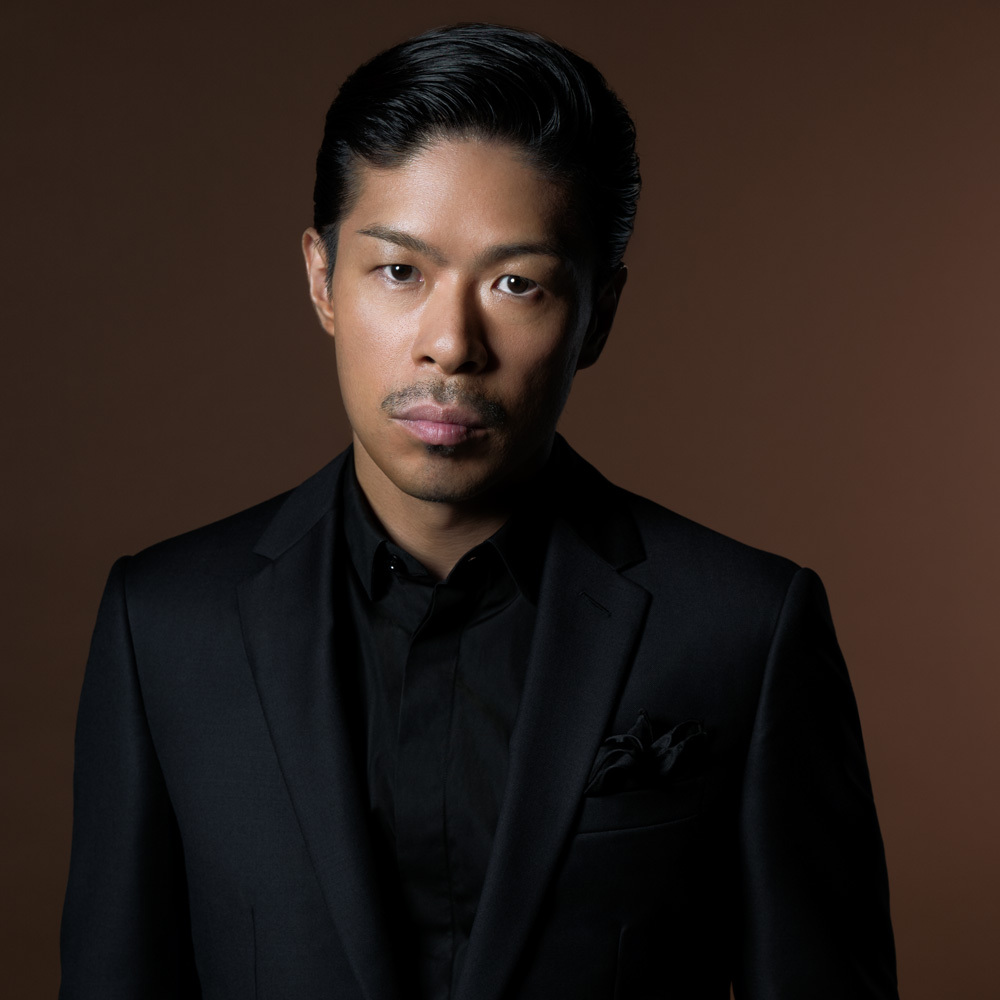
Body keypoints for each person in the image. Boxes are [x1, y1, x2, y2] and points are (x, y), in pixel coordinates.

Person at [59, 22, 898, 1000]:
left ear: (598, 313)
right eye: (399, 271)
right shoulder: (164, 626)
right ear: (322, 281)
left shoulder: (744, 628)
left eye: (516, 283)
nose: (451, 344)